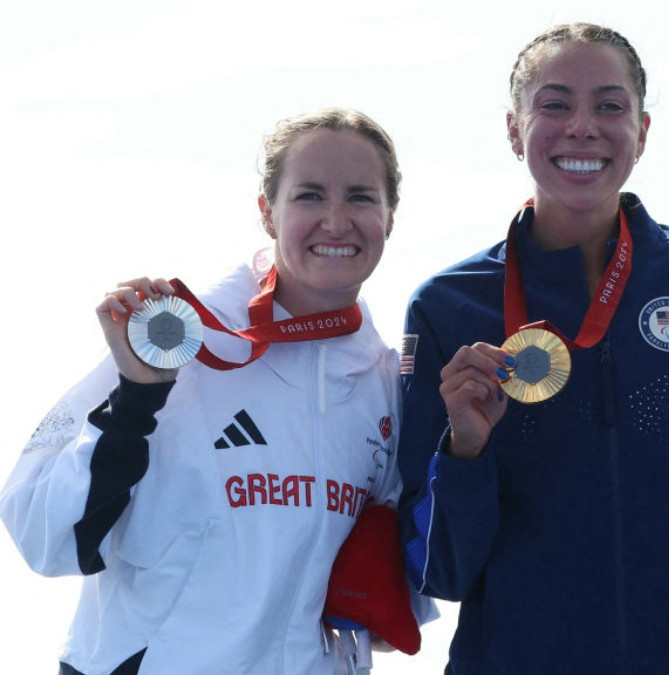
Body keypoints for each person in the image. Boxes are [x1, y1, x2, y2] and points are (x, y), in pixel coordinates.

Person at [396, 23, 669, 674]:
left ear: (643, 131)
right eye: (555, 103)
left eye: (609, 106)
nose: (583, 126)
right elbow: (439, 570)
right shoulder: (448, 306)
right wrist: (466, 449)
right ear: (514, 128)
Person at [0, 108, 425, 674]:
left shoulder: (383, 382)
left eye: (361, 197)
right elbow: (44, 535)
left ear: (391, 217)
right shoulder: (179, 339)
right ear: (266, 213)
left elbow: (392, 609)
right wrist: (135, 399)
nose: (336, 220)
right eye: (309, 195)